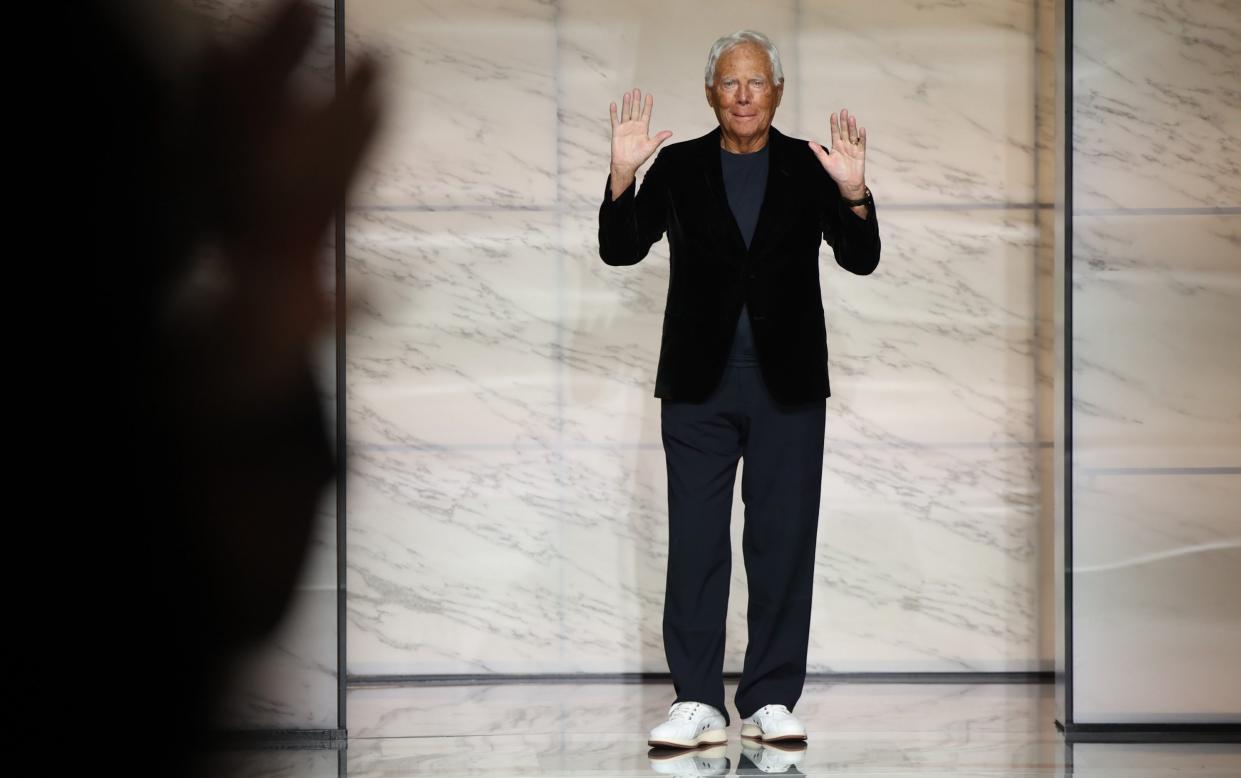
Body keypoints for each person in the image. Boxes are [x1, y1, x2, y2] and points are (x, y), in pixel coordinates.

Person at [597, 30, 881, 748]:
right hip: (697, 385)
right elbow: (620, 247)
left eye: (756, 81)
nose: (744, 93)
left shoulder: (807, 165)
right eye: (730, 82)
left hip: (787, 386)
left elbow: (860, 258)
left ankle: (769, 698)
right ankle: (695, 701)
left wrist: (852, 194)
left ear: (776, 91)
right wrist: (622, 177)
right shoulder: (680, 165)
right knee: (696, 542)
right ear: (710, 94)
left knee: (780, 542)